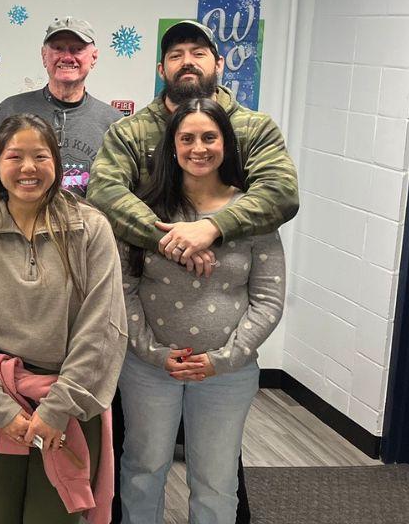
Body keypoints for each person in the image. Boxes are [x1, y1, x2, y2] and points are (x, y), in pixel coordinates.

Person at [88, 19, 300, 524]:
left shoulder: (254, 128)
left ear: (218, 64)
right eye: (177, 54)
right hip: (148, 352)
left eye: (199, 52)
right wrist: (173, 240)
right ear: (161, 68)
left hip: (226, 361)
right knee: (143, 463)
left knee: (217, 475)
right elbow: (105, 193)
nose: (188, 61)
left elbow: (281, 194)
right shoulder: (131, 132)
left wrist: (214, 228)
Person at [0, 113, 127, 524]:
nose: (28, 168)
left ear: (56, 164)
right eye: (14, 156)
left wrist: (57, 408)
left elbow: (103, 327)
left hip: (70, 402)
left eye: (40, 156)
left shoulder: (90, 229)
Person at [117, 98, 285, 524]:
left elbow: (268, 299)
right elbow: (123, 289)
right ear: (172, 146)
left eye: (209, 137)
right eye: (186, 138)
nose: (198, 148)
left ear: (225, 143)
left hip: (227, 372)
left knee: (216, 480)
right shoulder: (146, 212)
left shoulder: (252, 213)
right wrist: (152, 352)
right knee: (143, 469)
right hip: (149, 368)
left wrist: (224, 358)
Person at [0, 17, 122, 196]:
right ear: (44, 56)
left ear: (94, 57)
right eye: (58, 48)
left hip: (87, 215)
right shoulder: (10, 110)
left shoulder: (113, 123)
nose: (67, 57)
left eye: (77, 49)